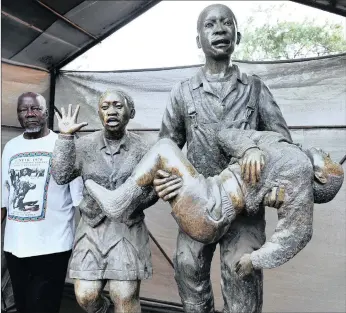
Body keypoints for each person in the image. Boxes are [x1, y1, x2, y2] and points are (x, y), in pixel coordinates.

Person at [158, 3, 292, 312]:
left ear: (237, 35)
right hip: (197, 203)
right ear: (198, 41)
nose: (219, 29)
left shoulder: (256, 89)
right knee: (187, 268)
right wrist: (165, 181)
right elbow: (166, 148)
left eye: (226, 23)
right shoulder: (183, 92)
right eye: (210, 25)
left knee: (241, 274)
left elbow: (283, 143)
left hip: (245, 208)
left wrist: (266, 166)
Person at [83, 129, 343, 283]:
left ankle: (118, 202)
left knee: (163, 148)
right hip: (209, 198)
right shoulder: (284, 146)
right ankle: (121, 199)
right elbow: (227, 134)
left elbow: (297, 233)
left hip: (211, 207)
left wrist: (255, 258)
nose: (327, 154)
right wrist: (249, 148)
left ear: (320, 175)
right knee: (163, 153)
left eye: (330, 160)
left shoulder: (299, 166)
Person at [51, 92, 178, 313]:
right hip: (92, 228)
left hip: (127, 229)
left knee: (125, 295)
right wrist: (65, 138)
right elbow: (61, 176)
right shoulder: (85, 145)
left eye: (118, 106)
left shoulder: (144, 149)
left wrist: (135, 200)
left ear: (131, 112)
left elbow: (153, 192)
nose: (111, 111)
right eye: (105, 106)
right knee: (85, 296)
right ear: (99, 113)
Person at [1, 92, 83, 313]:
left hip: (52, 247)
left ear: (46, 112)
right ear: (18, 115)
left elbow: (80, 202)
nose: (30, 114)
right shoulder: (10, 147)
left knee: (44, 307)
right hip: (15, 247)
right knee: (23, 306)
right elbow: (4, 199)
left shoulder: (64, 143)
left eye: (35, 108)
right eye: (23, 110)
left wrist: (84, 244)